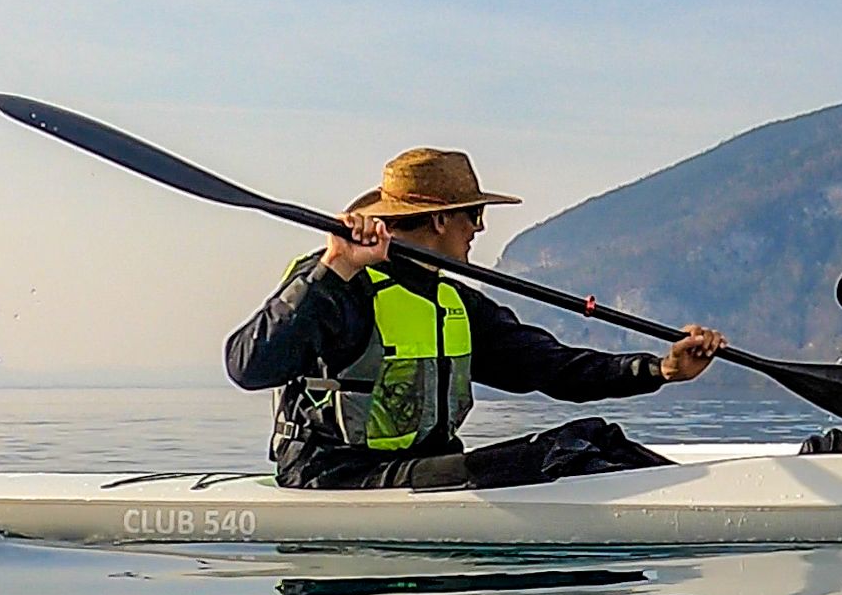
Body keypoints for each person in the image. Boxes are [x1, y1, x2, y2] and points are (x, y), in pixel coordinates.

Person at [227, 146, 729, 489]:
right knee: (570, 449)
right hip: (335, 477)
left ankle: (706, 491)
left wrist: (660, 370)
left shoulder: (455, 304)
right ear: (442, 219)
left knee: (597, 438)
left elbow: (554, 367)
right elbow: (247, 366)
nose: (479, 229)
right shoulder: (340, 286)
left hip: (416, 471)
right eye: (474, 216)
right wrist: (333, 266)